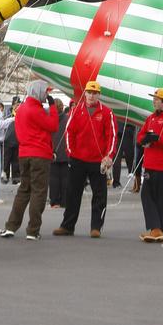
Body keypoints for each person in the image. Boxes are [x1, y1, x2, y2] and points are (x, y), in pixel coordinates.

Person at [53, 82, 116, 238]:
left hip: (98, 161)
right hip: (77, 159)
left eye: (95, 93)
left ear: (99, 94)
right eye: (89, 92)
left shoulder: (107, 112)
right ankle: (67, 226)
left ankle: (96, 227)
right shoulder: (76, 111)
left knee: (100, 195)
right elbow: (69, 133)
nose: (92, 95)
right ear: (85, 93)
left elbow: (112, 136)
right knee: (72, 194)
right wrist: (70, 152)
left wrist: (109, 155)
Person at [1, 81, 59, 241]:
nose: (46, 95)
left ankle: (11, 226)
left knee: (24, 190)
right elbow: (53, 125)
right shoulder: (36, 109)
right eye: (45, 92)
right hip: (39, 154)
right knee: (38, 192)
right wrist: (53, 107)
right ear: (39, 92)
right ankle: (33, 230)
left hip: (24, 153)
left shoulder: (21, 109)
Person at [137, 88, 163, 242]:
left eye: (157, 98)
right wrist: (145, 139)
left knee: (157, 196)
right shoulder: (151, 118)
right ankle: (158, 229)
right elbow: (140, 135)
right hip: (149, 163)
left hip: (161, 164)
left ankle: (157, 229)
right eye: (154, 98)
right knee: (147, 194)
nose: (154, 100)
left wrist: (157, 139)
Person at [49, 99, 69, 207]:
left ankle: (54, 201)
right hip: (65, 151)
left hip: (52, 151)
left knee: (53, 178)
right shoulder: (67, 119)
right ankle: (64, 201)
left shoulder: (49, 119)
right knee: (65, 178)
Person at [2, 100, 21, 184]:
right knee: (6, 159)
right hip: (7, 140)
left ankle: (15, 177)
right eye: (16, 105)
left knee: (16, 160)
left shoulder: (21, 114)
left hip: (17, 140)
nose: (17, 107)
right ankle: (5, 175)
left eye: (18, 105)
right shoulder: (8, 114)